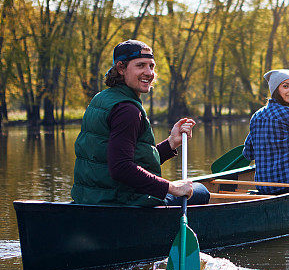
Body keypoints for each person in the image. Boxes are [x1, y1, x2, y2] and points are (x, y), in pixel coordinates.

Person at [71, 39, 210, 207]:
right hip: (122, 202)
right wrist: (171, 187)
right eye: (140, 65)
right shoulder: (127, 110)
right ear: (121, 68)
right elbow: (121, 168)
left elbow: (127, 160)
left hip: (90, 199)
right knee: (201, 191)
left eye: (151, 66)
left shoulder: (101, 99)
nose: (149, 72)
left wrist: (171, 143)